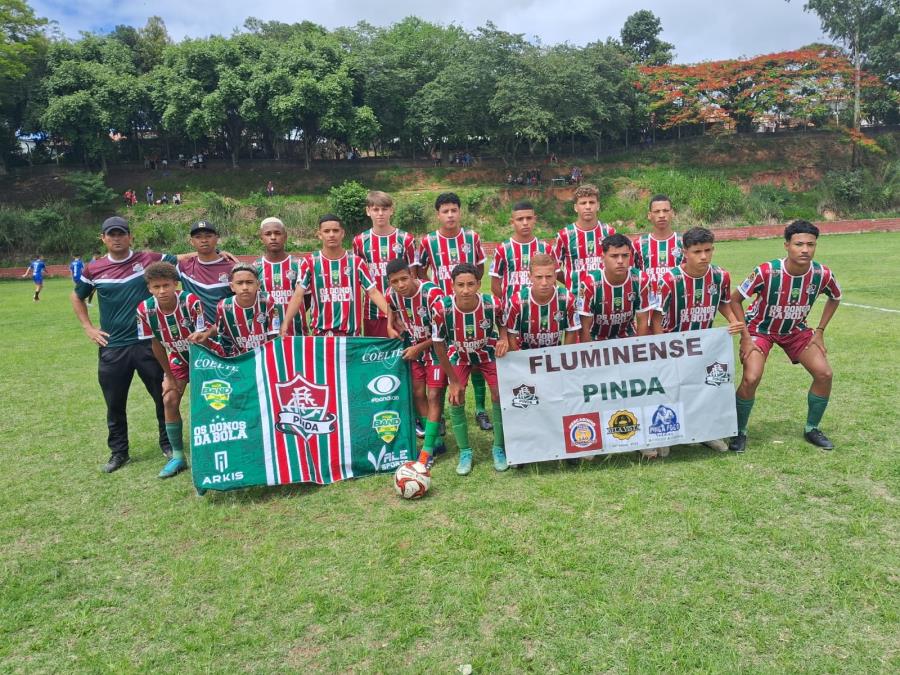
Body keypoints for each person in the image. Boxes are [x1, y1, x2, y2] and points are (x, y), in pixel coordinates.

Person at [71, 216, 179, 473]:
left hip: (148, 343)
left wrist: (220, 252)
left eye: (121, 234)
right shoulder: (93, 269)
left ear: (130, 236)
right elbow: (77, 296)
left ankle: (168, 444)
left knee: (161, 396)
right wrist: (88, 327)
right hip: (113, 346)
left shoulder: (149, 259)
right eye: (111, 234)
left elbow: (182, 258)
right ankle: (119, 452)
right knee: (115, 402)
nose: (117, 238)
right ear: (103, 238)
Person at [729, 221, 842, 453]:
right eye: (799, 244)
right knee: (751, 377)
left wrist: (819, 331)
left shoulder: (822, 274)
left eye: (811, 245)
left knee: (824, 373)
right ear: (786, 245)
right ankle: (738, 431)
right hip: (760, 329)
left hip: (795, 331)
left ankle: (812, 428)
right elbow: (735, 300)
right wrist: (745, 337)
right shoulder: (766, 271)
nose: (805, 249)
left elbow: (835, 297)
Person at [648, 227, 745, 456]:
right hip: (674, 344)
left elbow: (722, 301)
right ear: (685, 252)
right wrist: (662, 347)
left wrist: (732, 320)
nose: (703, 256)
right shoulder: (669, 279)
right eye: (697, 251)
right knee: (670, 389)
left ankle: (707, 433)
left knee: (706, 388)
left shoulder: (721, 275)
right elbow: (657, 317)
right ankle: (665, 436)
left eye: (708, 250)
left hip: (704, 343)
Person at [418, 192, 493, 431]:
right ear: (438, 214)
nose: (450, 215)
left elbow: (480, 267)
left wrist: (469, 291)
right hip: (443, 310)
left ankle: (481, 410)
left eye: (454, 210)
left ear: (460, 212)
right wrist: (437, 294)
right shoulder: (428, 241)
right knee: (444, 355)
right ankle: (439, 415)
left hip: (469, 306)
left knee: (477, 352)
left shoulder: (472, 237)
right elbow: (421, 271)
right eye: (445, 211)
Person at [430, 263, 507, 475]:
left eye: (471, 284)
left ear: (479, 285)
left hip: (486, 351)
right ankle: (465, 451)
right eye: (460, 285)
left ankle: (499, 448)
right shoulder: (441, 309)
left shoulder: (492, 304)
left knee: (500, 393)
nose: (465, 290)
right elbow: (438, 345)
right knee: (455, 397)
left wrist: (502, 338)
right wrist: (453, 381)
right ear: (452, 286)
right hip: (459, 353)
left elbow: (503, 323)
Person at [136, 261, 210, 479]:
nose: (161, 291)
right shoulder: (144, 310)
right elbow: (156, 345)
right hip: (177, 359)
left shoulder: (191, 302)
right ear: (149, 287)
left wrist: (203, 373)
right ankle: (177, 456)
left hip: (203, 356)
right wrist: (168, 376)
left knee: (211, 400)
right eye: (156, 287)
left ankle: (214, 445)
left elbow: (203, 338)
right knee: (169, 399)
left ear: (175, 284)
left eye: (166, 285)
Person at [280, 215, 396, 338]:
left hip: (351, 335)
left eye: (335, 231)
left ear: (342, 233)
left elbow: (373, 292)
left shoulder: (356, 262)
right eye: (326, 231)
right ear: (319, 235)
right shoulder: (309, 262)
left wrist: (392, 316)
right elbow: (298, 295)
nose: (331, 235)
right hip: (321, 335)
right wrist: (286, 323)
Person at [385, 259, 446, 457]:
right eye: (395, 281)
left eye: (404, 279)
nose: (401, 285)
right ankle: (436, 441)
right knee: (417, 393)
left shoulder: (432, 293)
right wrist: (389, 325)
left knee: (434, 395)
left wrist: (419, 347)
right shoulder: (392, 295)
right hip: (416, 349)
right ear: (389, 282)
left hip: (438, 349)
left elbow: (444, 332)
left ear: (412, 275)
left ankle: (427, 449)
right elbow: (391, 308)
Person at [352, 191, 418, 337]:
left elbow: (414, 275)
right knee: (374, 356)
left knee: (404, 355)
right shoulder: (359, 241)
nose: (380, 213)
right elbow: (358, 279)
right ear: (368, 211)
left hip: (403, 310)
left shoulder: (406, 239)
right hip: (372, 311)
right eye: (375, 209)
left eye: (384, 209)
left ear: (391, 210)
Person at [578, 233, 650, 343]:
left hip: (627, 337)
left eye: (625, 255)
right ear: (603, 258)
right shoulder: (590, 284)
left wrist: (640, 349)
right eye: (614, 256)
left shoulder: (641, 279)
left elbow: (643, 322)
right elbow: (584, 328)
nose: (620, 261)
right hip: (595, 340)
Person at [499, 253, 580, 352]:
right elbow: (511, 337)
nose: (544, 283)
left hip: (555, 354)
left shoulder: (568, 299)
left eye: (549, 276)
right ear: (530, 276)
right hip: (524, 354)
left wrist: (562, 357)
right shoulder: (517, 301)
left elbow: (571, 332)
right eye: (539, 277)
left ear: (555, 276)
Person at [201, 263, 280, 356]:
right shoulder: (223, 306)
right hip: (239, 358)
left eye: (249, 282)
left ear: (258, 285)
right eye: (239, 283)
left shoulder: (267, 301)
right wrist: (206, 334)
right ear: (232, 286)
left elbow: (275, 335)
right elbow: (219, 328)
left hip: (265, 354)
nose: (245, 288)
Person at [489, 201, 553, 313]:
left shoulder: (545, 248)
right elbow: (495, 285)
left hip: (539, 309)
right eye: (520, 219)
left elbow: (552, 281)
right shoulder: (503, 249)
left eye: (529, 218)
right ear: (512, 222)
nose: (525, 223)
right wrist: (506, 304)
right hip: (512, 310)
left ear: (535, 219)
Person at [553, 184, 617, 295]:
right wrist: (571, 283)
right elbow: (553, 267)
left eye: (591, 202)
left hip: (605, 296)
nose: (588, 207)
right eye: (583, 203)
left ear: (598, 205)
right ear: (575, 207)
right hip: (577, 299)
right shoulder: (564, 235)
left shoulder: (610, 232)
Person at [255, 217, 306, 336]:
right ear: (261, 238)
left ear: (285, 236)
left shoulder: (299, 265)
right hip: (267, 332)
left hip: (296, 331)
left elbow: (306, 298)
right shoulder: (255, 267)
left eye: (277, 233)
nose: (273, 237)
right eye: (268, 234)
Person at [176, 221, 233, 325]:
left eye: (208, 236)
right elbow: (157, 263)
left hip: (226, 332)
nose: (204, 240)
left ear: (217, 238)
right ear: (191, 241)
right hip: (198, 333)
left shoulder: (232, 267)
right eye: (198, 237)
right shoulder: (184, 267)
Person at [633, 195, 683, 307]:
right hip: (648, 308)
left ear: (673, 213)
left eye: (665, 211)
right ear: (649, 215)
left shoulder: (684, 243)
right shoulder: (638, 245)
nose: (661, 215)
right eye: (657, 211)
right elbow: (633, 278)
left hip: (677, 306)